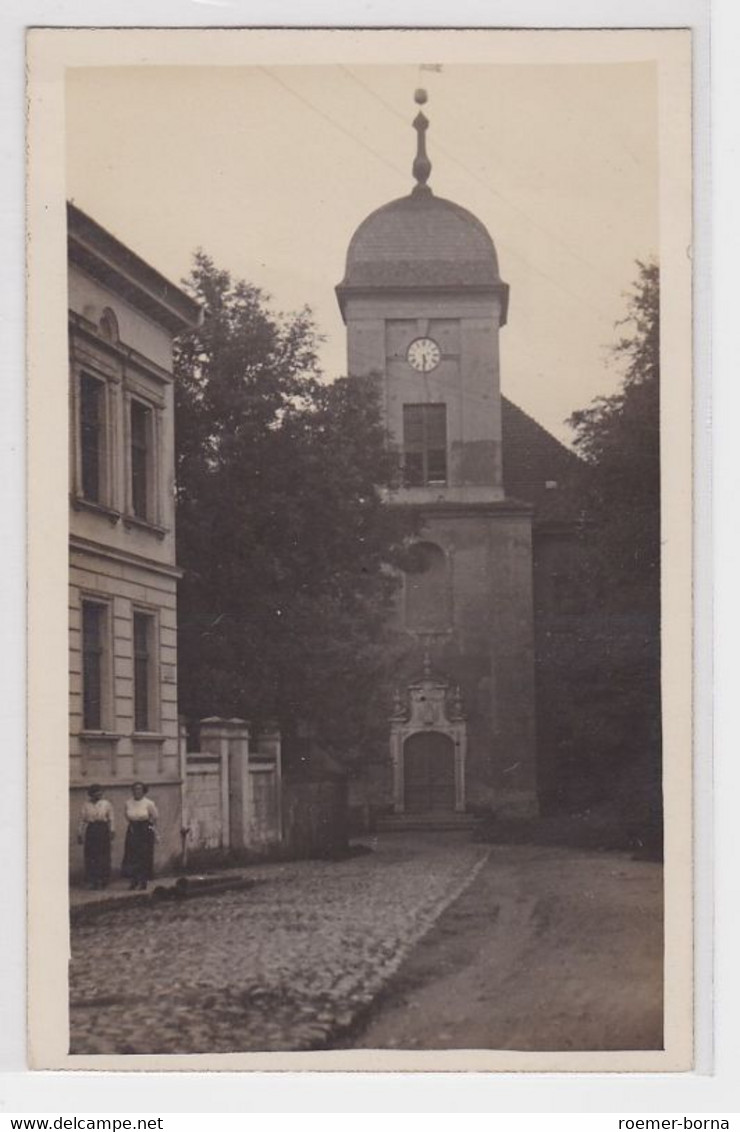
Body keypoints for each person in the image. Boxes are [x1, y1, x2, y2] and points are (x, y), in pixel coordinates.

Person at [122, 781, 159, 890]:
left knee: (144, 855)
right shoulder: (128, 803)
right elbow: (126, 815)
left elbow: (155, 817)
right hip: (133, 830)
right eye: (135, 789)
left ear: (144, 791)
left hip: (145, 829)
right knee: (132, 856)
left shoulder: (149, 803)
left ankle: (143, 881)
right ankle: (134, 880)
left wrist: (150, 829)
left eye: (139, 789)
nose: (137, 791)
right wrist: (133, 824)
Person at [77, 784, 115, 890]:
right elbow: (82, 820)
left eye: (100, 792)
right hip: (92, 830)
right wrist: (79, 833)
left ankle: (104, 879)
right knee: (92, 856)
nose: (98, 794)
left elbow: (111, 818)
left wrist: (112, 830)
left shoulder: (106, 804)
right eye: (96, 792)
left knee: (103, 855)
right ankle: (93, 880)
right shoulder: (86, 805)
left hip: (103, 829)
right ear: (91, 794)